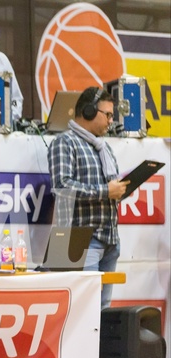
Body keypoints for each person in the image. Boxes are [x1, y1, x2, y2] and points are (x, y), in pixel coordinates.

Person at [47, 87, 128, 309]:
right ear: (90, 111)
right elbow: (62, 186)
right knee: (79, 313)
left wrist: (119, 190)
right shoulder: (64, 142)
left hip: (109, 240)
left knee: (102, 316)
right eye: (108, 115)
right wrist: (105, 191)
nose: (111, 121)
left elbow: (109, 189)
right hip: (75, 241)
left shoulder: (105, 148)